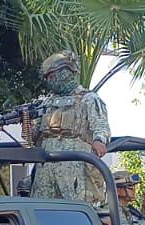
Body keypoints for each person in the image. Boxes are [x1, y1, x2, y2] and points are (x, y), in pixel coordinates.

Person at [27, 51, 111, 207]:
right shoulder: (46, 103)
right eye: (47, 77)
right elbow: (34, 134)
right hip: (46, 166)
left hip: (75, 166)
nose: (49, 81)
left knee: (75, 209)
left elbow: (100, 125)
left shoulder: (88, 99)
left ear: (66, 72)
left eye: (52, 76)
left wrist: (99, 140)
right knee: (40, 208)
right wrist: (26, 123)